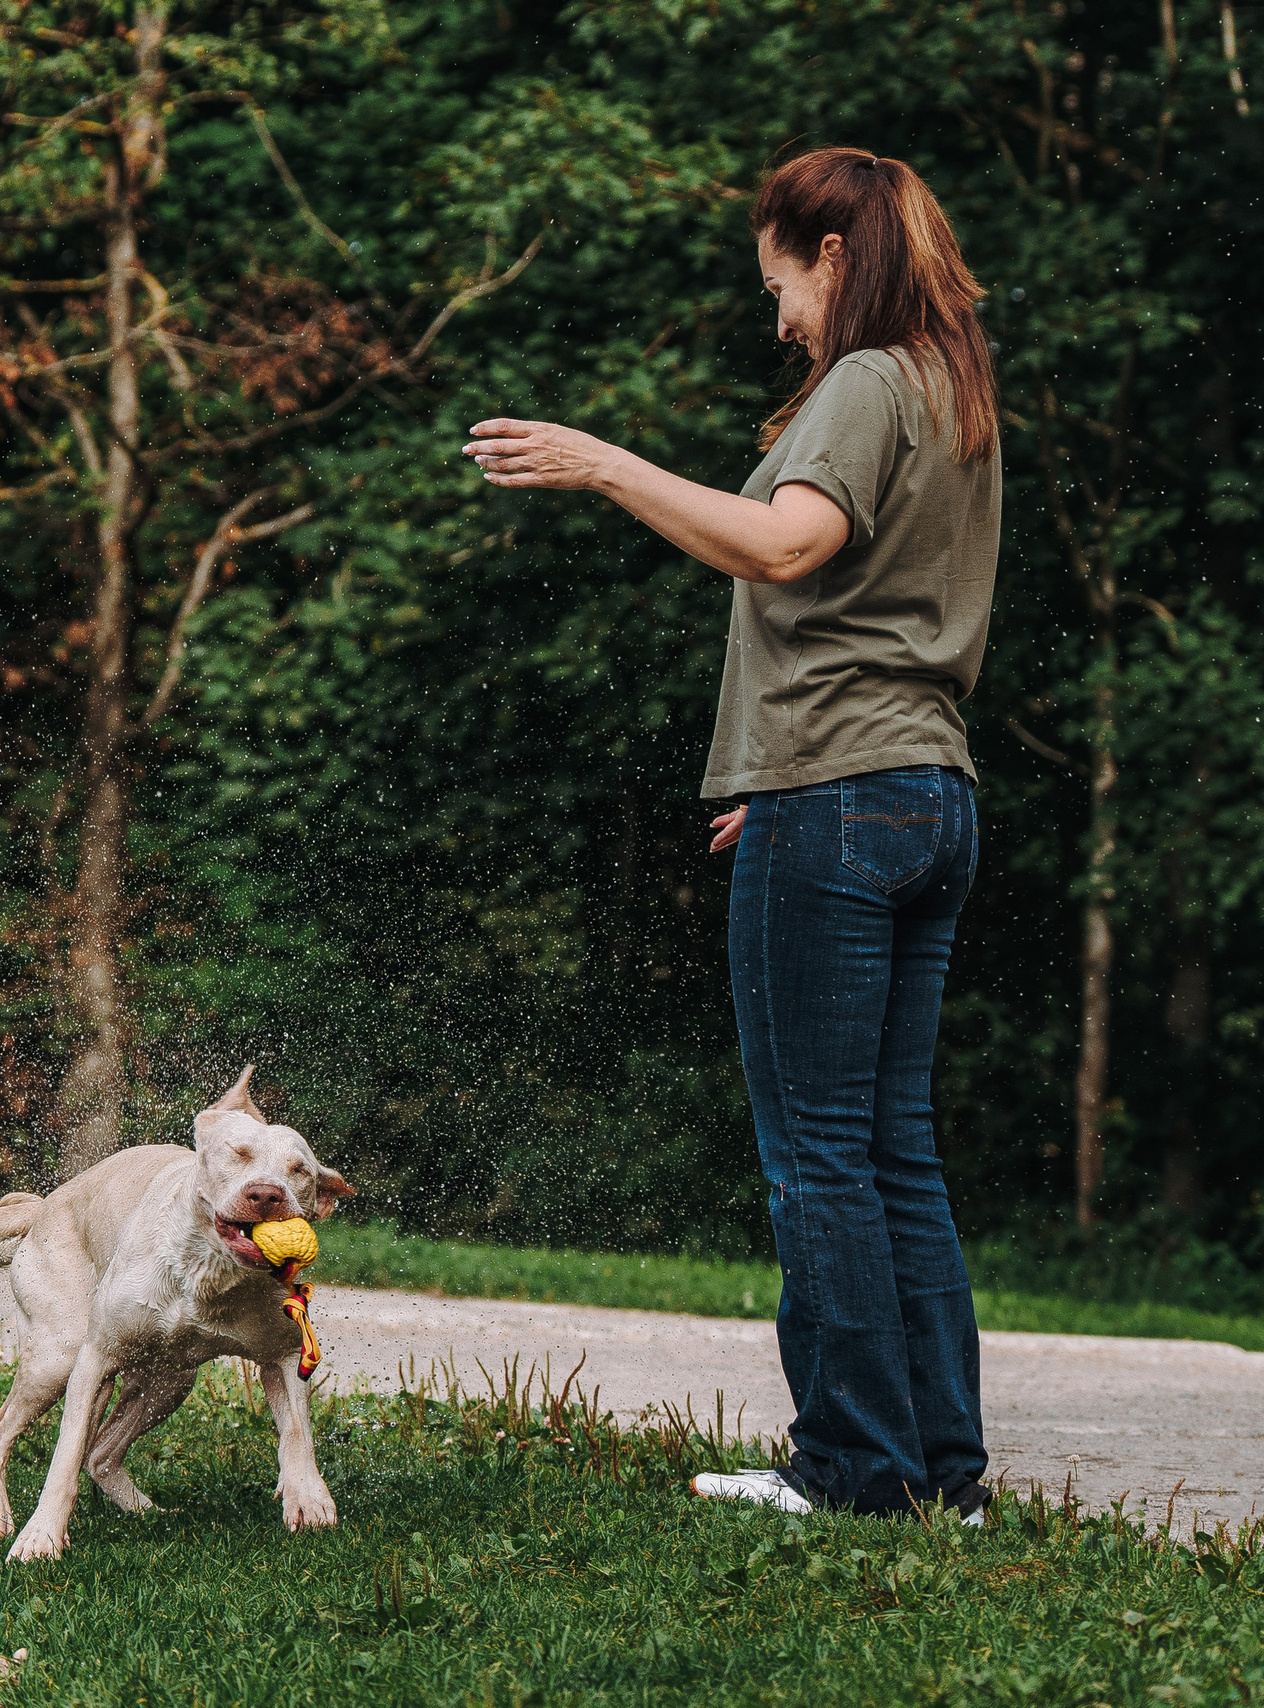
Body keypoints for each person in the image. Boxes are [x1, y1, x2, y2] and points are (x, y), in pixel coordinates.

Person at [461, 146, 1000, 1522]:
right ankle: (944, 1471)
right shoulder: (952, 391)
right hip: (925, 793)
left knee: (818, 1150)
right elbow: (881, 612)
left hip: (842, 799)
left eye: (782, 286)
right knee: (892, 1149)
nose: (780, 321)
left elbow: (786, 546)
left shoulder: (871, 379)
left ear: (832, 257)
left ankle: (853, 1470)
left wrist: (597, 463)